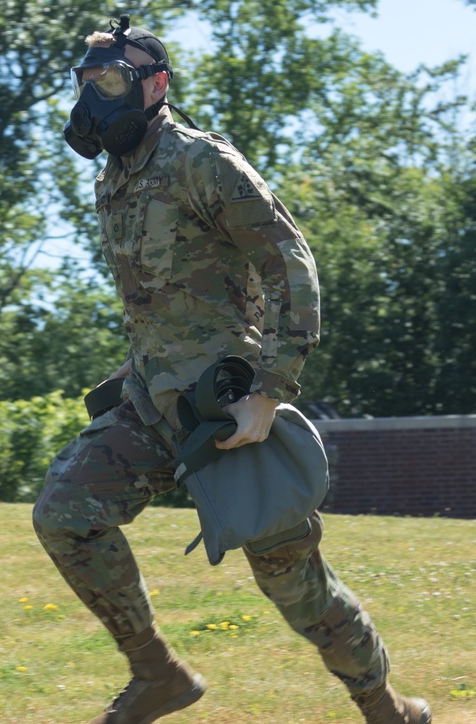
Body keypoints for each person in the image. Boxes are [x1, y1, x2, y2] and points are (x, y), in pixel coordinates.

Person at [32, 15, 430, 724]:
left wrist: (271, 394)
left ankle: (385, 707)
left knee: (295, 586)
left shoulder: (199, 161)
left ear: (155, 85)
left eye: (113, 81)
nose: (95, 100)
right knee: (66, 512)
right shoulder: (115, 177)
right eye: (86, 84)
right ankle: (159, 676)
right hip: (149, 404)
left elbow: (290, 260)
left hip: (227, 410)